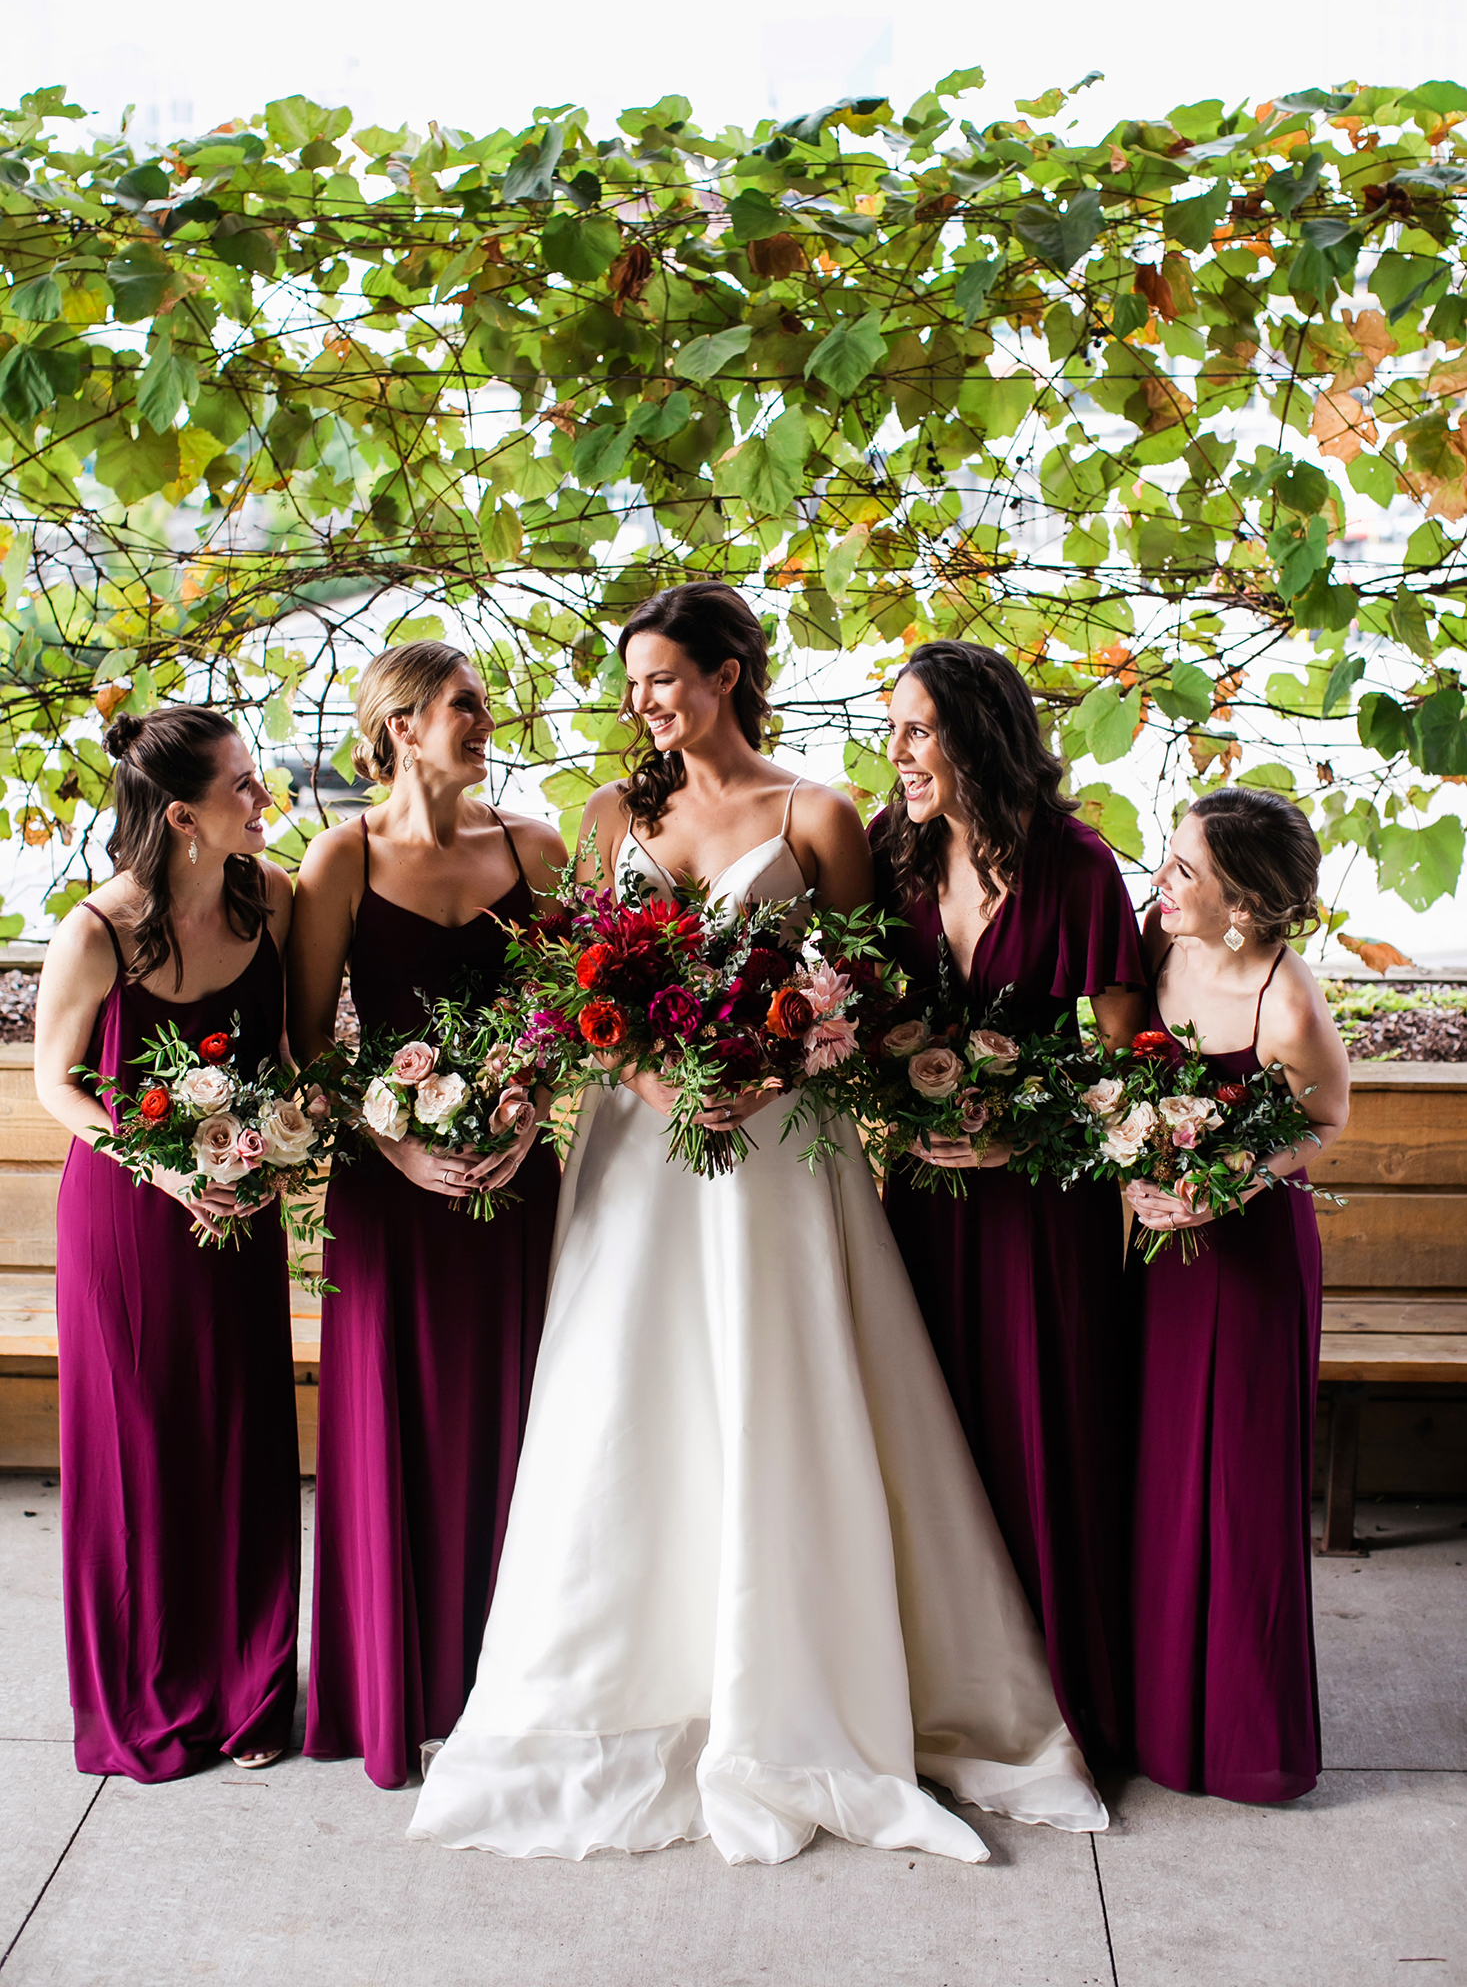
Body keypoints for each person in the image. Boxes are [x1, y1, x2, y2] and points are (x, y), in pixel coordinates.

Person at [409, 581, 1106, 1867]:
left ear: (730, 673)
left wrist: (773, 1070)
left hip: (781, 1152)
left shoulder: (817, 813)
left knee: (785, 1398)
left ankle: (804, 1701)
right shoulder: (610, 814)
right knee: (626, 1404)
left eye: (665, 678)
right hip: (637, 1157)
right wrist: (655, 1076)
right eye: (634, 685)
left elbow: (871, 993)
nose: (644, 704)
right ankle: (607, 1698)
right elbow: (575, 992)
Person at [288, 641, 564, 1790]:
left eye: (485, 705)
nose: (482, 722)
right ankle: (394, 1685)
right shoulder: (341, 857)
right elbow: (309, 1044)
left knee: (518, 1425)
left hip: (515, 1178)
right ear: (402, 725)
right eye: (464, 707)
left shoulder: (535, 846)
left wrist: (523, 1109)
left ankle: (513, 1683)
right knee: (395, 1423)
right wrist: (396, 1140)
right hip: (388, 1195)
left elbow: (563, 1015)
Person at [873, 641, 1147, 1771]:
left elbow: (1135, 1062)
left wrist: (1033, 1122)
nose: (896, 752)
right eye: (893, 729)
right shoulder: (892, 858)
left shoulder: (1077, 867)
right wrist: (898, 1105)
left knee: (1048, 1435)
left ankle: (1063, 1696)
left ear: (978, 736)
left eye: (918, 729)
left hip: (1044, 1216)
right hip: (924, 1205)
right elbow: (852, 1027)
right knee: (927, 1441)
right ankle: (939, 1695)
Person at [34, 706, 300, 1780]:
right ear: (183, 816)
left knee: (242, 1434)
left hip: (243, 1205)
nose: (263, 797)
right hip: (130, 1212)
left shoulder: (273, 900)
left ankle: (250, 1688)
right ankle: (147, 1688)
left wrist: (273, 1145)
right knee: (140, 1445)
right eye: (242, 784)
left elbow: (290, 1052)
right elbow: (59, 1081)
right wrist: (168, 1167)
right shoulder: (97, 929)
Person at [1126, 788, 1349, 1803]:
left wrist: (1231, 1180)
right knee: (1163, 1483)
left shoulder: (1287, 1001)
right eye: (1167, 861)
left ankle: (1248, 1738)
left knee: (1242, 1491)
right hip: (1154, 1258)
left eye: (1185, 872)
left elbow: (1325, 1119)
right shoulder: (1155, 944)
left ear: (1247, 905)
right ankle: (1158, 1722)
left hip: (1250, 1258)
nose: (1161, 884)